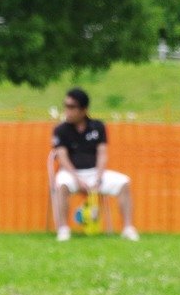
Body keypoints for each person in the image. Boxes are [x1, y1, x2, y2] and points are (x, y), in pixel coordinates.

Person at [50, 88, 139, 242]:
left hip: (95, 173)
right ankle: (63, 229)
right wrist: (78, 179)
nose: (67, 111)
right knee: (61, 184)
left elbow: (102, 154)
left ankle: (128, 228)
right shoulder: (61, 130)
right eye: (66, 106)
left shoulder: (98, 127)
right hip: (71, 174)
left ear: (83, 109)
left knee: (124, 182)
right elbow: (62, 158)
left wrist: (98, 178)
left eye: (72, 107)